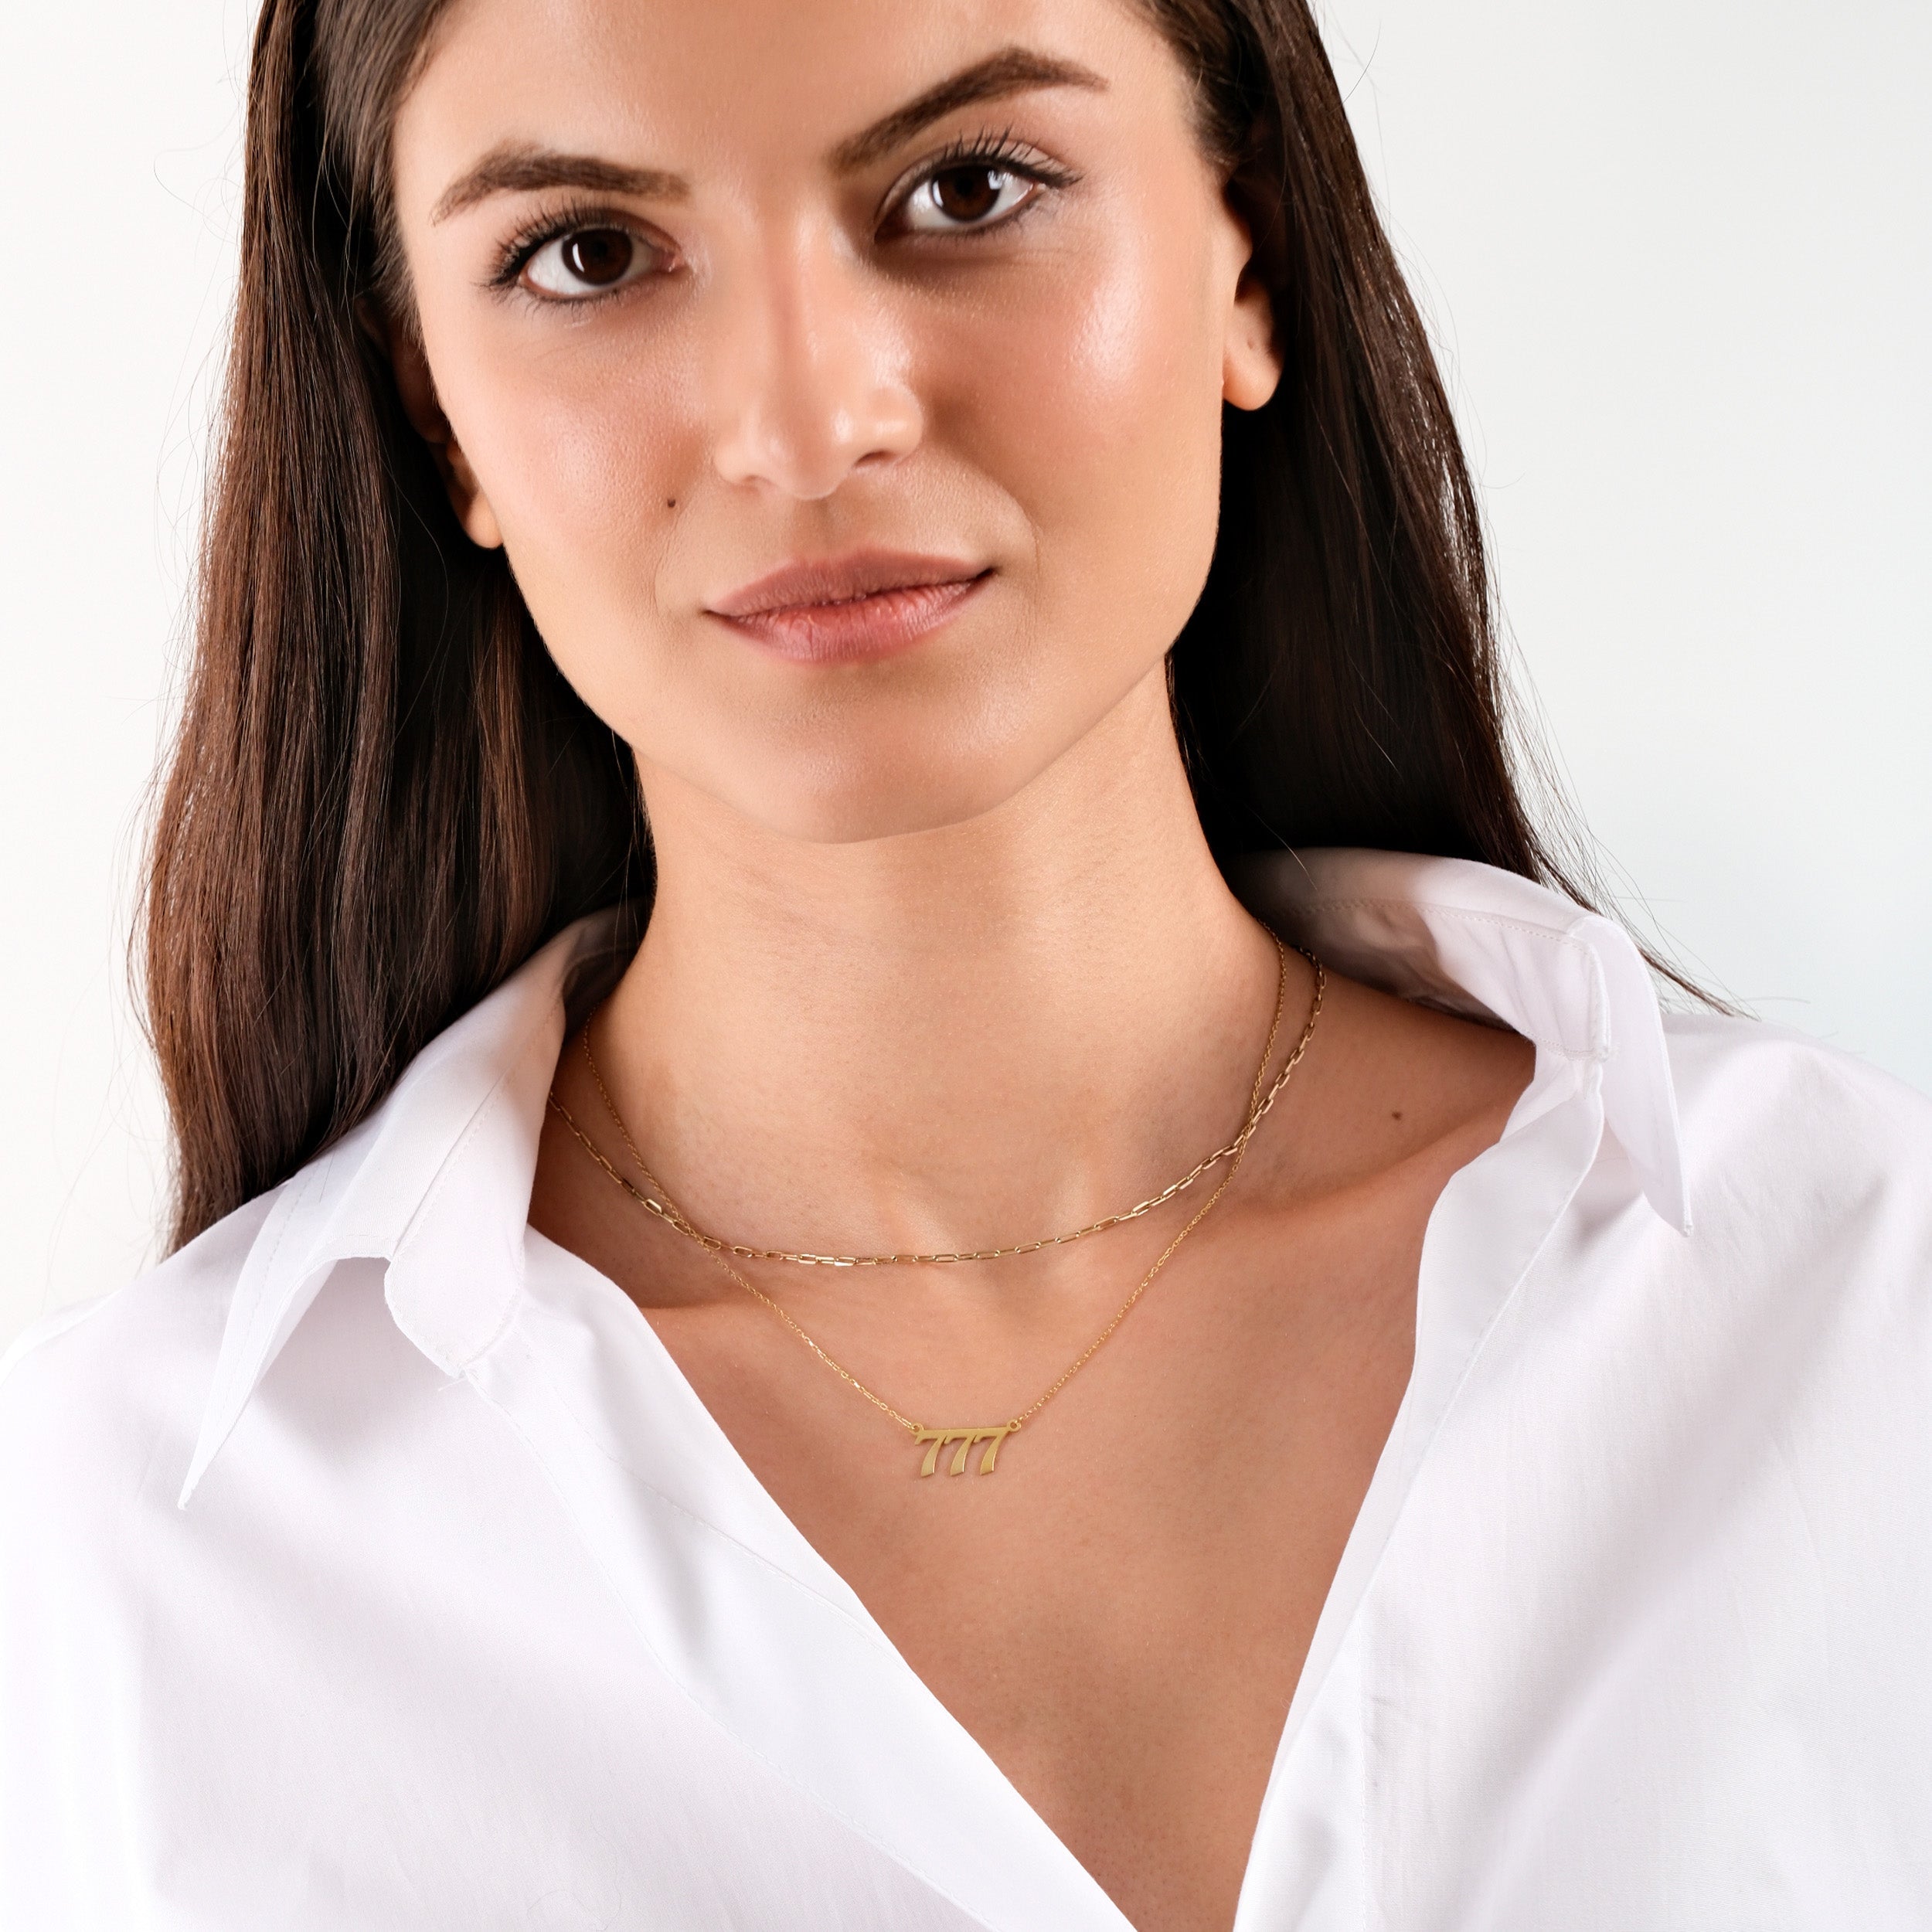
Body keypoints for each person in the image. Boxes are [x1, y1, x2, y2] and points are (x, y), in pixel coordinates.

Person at [2, 0, 1927, 1925]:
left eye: (965, 187)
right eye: (587, 254)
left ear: (1241, 253)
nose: (807, 419)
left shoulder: (1855, 1307)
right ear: (434, 411)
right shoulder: (115, 1562)